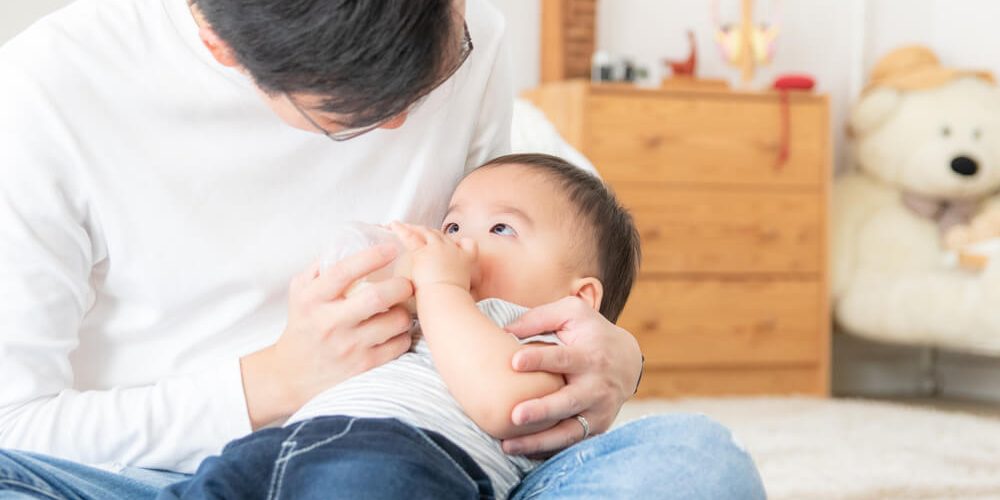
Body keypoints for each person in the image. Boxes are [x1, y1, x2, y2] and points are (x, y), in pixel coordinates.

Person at [0, 0, 765, 499]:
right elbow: (15, 425)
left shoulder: (470, 35)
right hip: (161, 476)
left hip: (438, 460)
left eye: (432, 80)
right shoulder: (47, 91)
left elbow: (522, 268)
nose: (405, 126)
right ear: (220, 47)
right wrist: (270, 383)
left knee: (696, 465)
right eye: (352, 115)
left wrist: (613, 357)